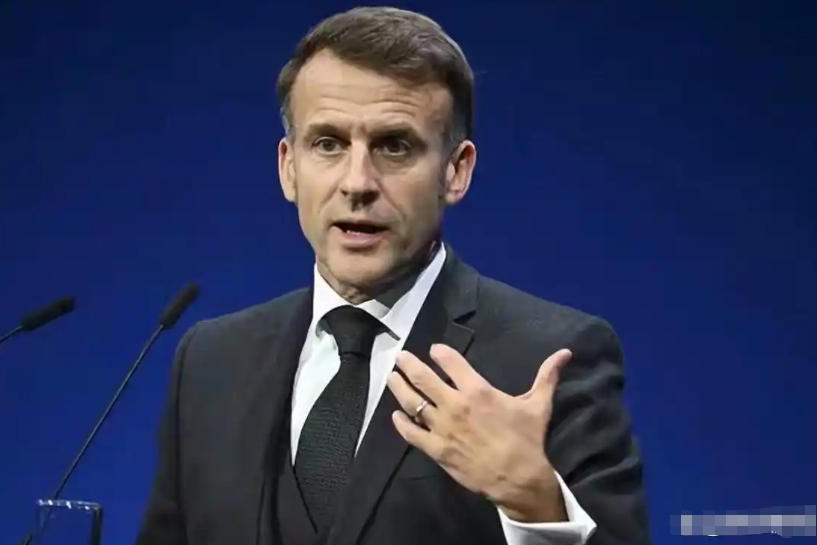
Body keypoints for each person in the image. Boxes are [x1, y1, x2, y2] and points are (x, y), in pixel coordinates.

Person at [136, 7, 650, 545]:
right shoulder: (211, 362)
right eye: (328, 144)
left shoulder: (547, 358)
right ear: (289, 167)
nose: (357, 182)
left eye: (394, 146)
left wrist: (534, 501)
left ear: (456, 170)